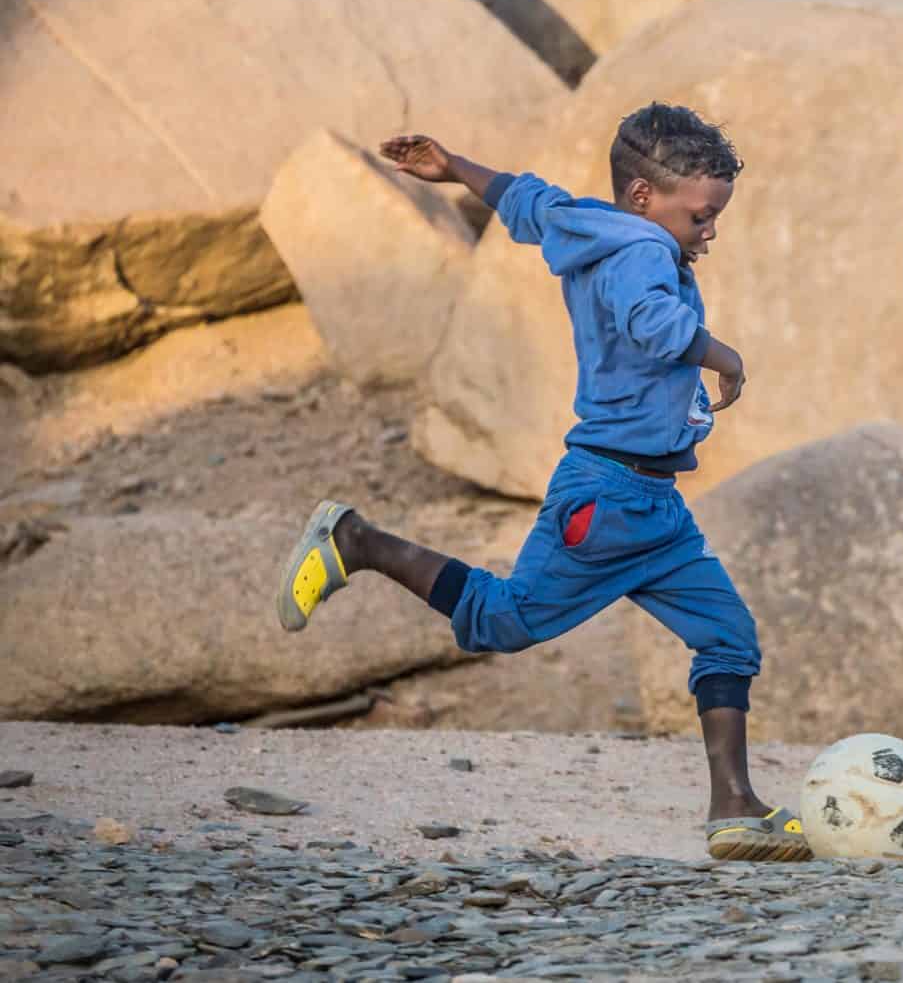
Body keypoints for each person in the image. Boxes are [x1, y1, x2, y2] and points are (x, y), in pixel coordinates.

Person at [274, 103, 810, 863]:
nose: (710, 229)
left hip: (654, 506)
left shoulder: (591, 223)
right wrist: (725, 355)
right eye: (702, 214)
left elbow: (528, 199)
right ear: (645, 198)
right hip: (608, 498)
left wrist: (454, 164)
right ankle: (355, 539)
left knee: (727, 635)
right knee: (502, 621)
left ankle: (733, 809)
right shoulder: (643, 254)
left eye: (716, 214)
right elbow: (651, 323)